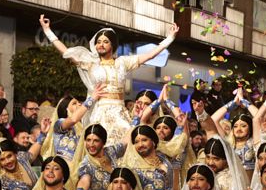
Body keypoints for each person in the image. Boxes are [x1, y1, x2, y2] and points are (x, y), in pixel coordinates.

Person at [40, 14, 178, 147]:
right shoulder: (91, 64)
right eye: (98, 42)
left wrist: (170, 38)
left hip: (120, 112)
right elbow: (66, 52)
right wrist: (47, 31)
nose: (101, 45)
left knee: (126, 146)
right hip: (100, 112)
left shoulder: (123, 62)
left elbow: (150, 55)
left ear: (112, 45)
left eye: (105, 41)